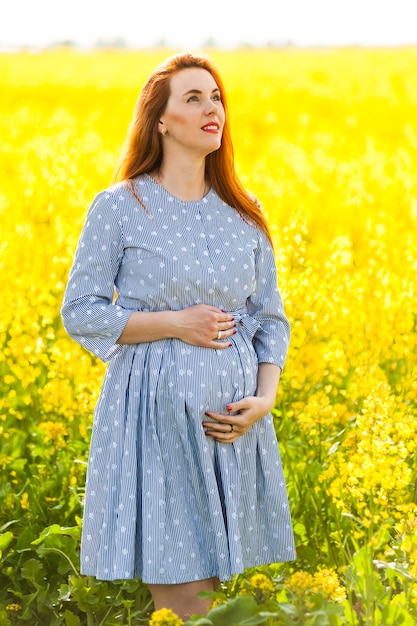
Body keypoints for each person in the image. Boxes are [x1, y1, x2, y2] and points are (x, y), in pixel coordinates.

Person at [61, 52, 296, 621]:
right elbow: (80, 312)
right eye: (193, 98)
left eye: (216, 97)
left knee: (218, 600)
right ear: (160, 120)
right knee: (188, 600)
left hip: (233, 433)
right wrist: (174, 323)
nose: (212, 107)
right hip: (153, 424)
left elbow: (270, 321)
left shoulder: (245, 211)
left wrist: (264, 401)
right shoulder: (120, 208)